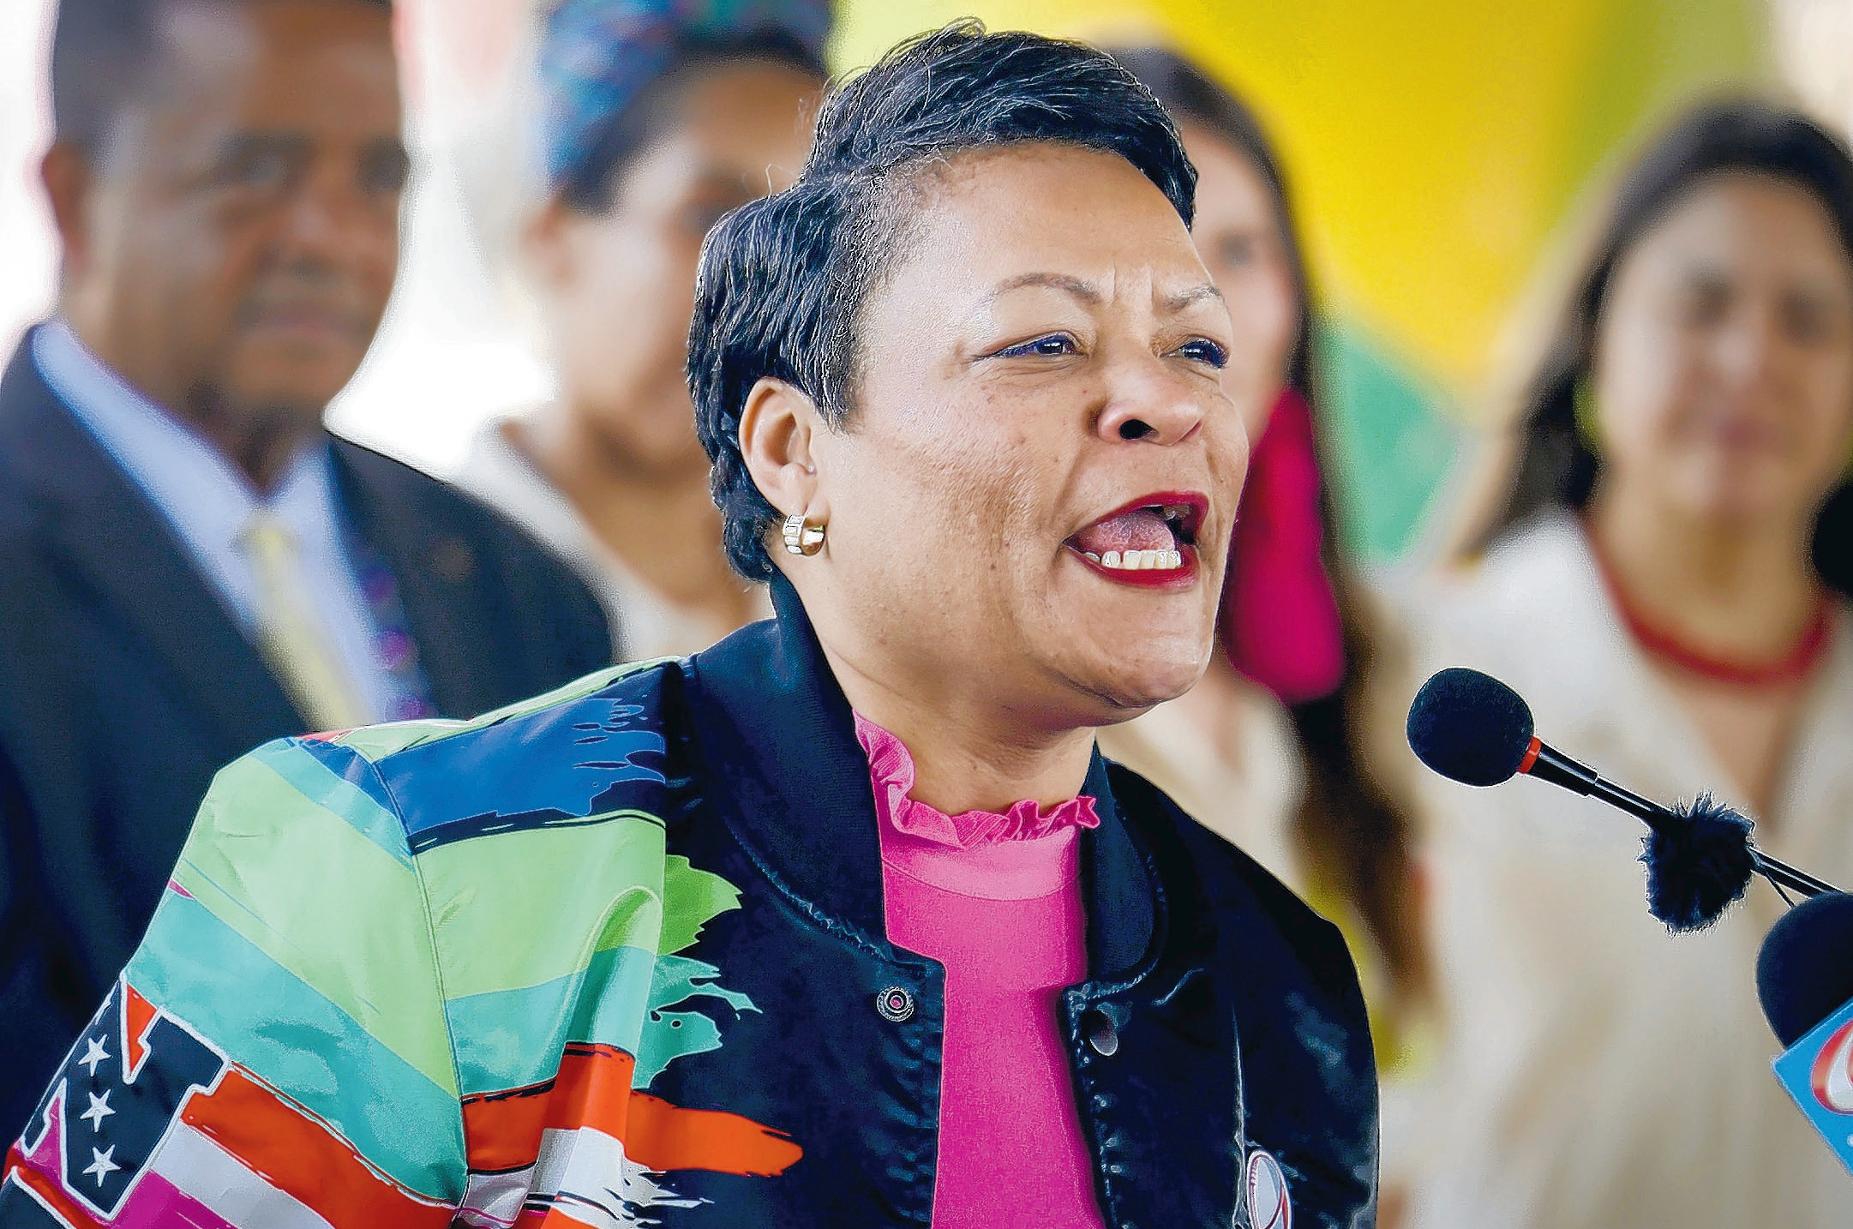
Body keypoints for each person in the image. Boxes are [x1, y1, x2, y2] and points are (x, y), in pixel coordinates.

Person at [0, 22, 1377, 1228]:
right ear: (792, 451)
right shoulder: (405, 866)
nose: (1166, 402)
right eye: (1040, 342)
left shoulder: (1281, 987)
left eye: (1197, 347)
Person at [0, 0, 611, 1132]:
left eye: (377, 179)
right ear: (75, 197)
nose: (331, 237)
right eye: (254, 172)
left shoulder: (517, 588)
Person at [1394, 99, 1853, 1227]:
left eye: (1807, 320)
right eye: (1701, 304)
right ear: (1593, 332)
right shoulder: (1423, 676)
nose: (1750, 358)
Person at [1099, 46, 1430, 1032]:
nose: (1202, 309)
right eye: (1144, 259)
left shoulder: (1381, 659)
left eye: (1238, 252)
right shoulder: (968, 689)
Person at [459, 0, 827, 661]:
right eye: (710, 218)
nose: (774, 292)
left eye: (813, 236)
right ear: (550, 238)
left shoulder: (845, 594)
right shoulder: (424, 596)